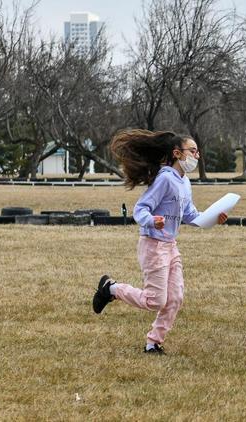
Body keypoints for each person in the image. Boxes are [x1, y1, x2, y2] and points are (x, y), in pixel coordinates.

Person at [92, 129, 227, 354]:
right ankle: (112, 289)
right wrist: (151, 221)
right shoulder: (165, 178)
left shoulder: (184, 182)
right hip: (153, 245)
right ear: (177, 153)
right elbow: (141, 208)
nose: (197, 155)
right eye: (192, 151)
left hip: (170, 246)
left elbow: (191, 215)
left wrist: (215, 218)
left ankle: (153, 343)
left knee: (175, 298)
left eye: (197, 151)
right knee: (155, 300)